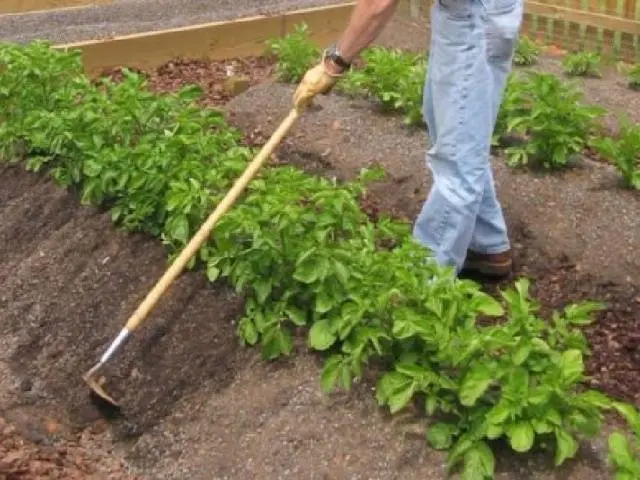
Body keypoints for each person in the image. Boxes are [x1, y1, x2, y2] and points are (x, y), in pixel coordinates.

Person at [292, 0, 524, 279]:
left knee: (457, 157)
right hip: (482, 11)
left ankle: (424, 283)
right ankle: (486, 245)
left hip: (472, 20)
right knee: (460, 132)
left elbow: (379, 3)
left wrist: (335, 62)